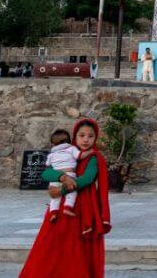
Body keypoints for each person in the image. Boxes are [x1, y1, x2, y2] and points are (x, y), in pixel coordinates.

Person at [20, 117, 112, 277]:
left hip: (80, 211)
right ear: (75, 137)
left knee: (74, 249)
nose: (86, 139)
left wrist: (60, 191)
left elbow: (86, 179)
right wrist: (63, 177)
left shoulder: (94, 158)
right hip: (59, 209)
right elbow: (46, 173)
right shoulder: (65, 154)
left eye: (90, 136)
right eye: (82, 135)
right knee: (51, 246)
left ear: (95, 138)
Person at [44, 128, 79, 221]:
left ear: (52, 144)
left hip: (54, 180)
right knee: (72, 193)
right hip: (70, 174)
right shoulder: (72, 149)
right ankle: (68, 207)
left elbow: (47, 165)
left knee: (55, 198)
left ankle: (53, 213)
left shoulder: (52, 154)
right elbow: (79, 156)